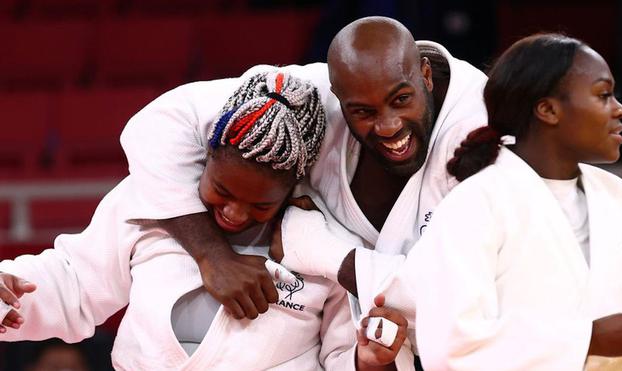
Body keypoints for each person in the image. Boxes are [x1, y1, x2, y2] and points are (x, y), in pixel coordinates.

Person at [0, 71, 410, 370]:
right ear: (207, 156)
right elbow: (74, 281)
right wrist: (9, 289)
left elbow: (339, 356)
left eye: (260, 205)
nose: (234, 212)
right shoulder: (152, 199)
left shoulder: (329, 237)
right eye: (222, 191)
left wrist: (366, 361)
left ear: (293, 185)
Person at [117, 17, 488, 329]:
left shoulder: (485, 134)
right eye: (362, 112)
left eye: (401, 100)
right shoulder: (315, 99)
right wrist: (212, 255)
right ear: (338, 97)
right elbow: (154, 125)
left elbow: (462, 303)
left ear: (425, 74)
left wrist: (326, 254)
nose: (388, 126)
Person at [394, 33, 622, 370]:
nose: (619, 109)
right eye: (603, 95)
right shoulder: (474, 206)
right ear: (548, 109)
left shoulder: (616, 194)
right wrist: (587, 339)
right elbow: (449, 348)